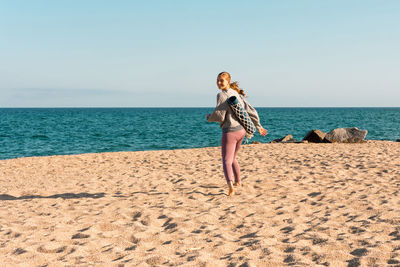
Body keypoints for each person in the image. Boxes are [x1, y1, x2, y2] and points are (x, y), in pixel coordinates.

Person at [206, 72, 268, 196]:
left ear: (228, 81)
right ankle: (238, 181)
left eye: (221, 80)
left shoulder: (221, 95)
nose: (219, 83)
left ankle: (230, 187)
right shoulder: (235, 93)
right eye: (217, 80)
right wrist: (258, 126)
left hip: (230, 132)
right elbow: (249, 110)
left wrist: (209, 118)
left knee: (226, 161)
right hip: (242, 131)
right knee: (233, 158)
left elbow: (219, 115)